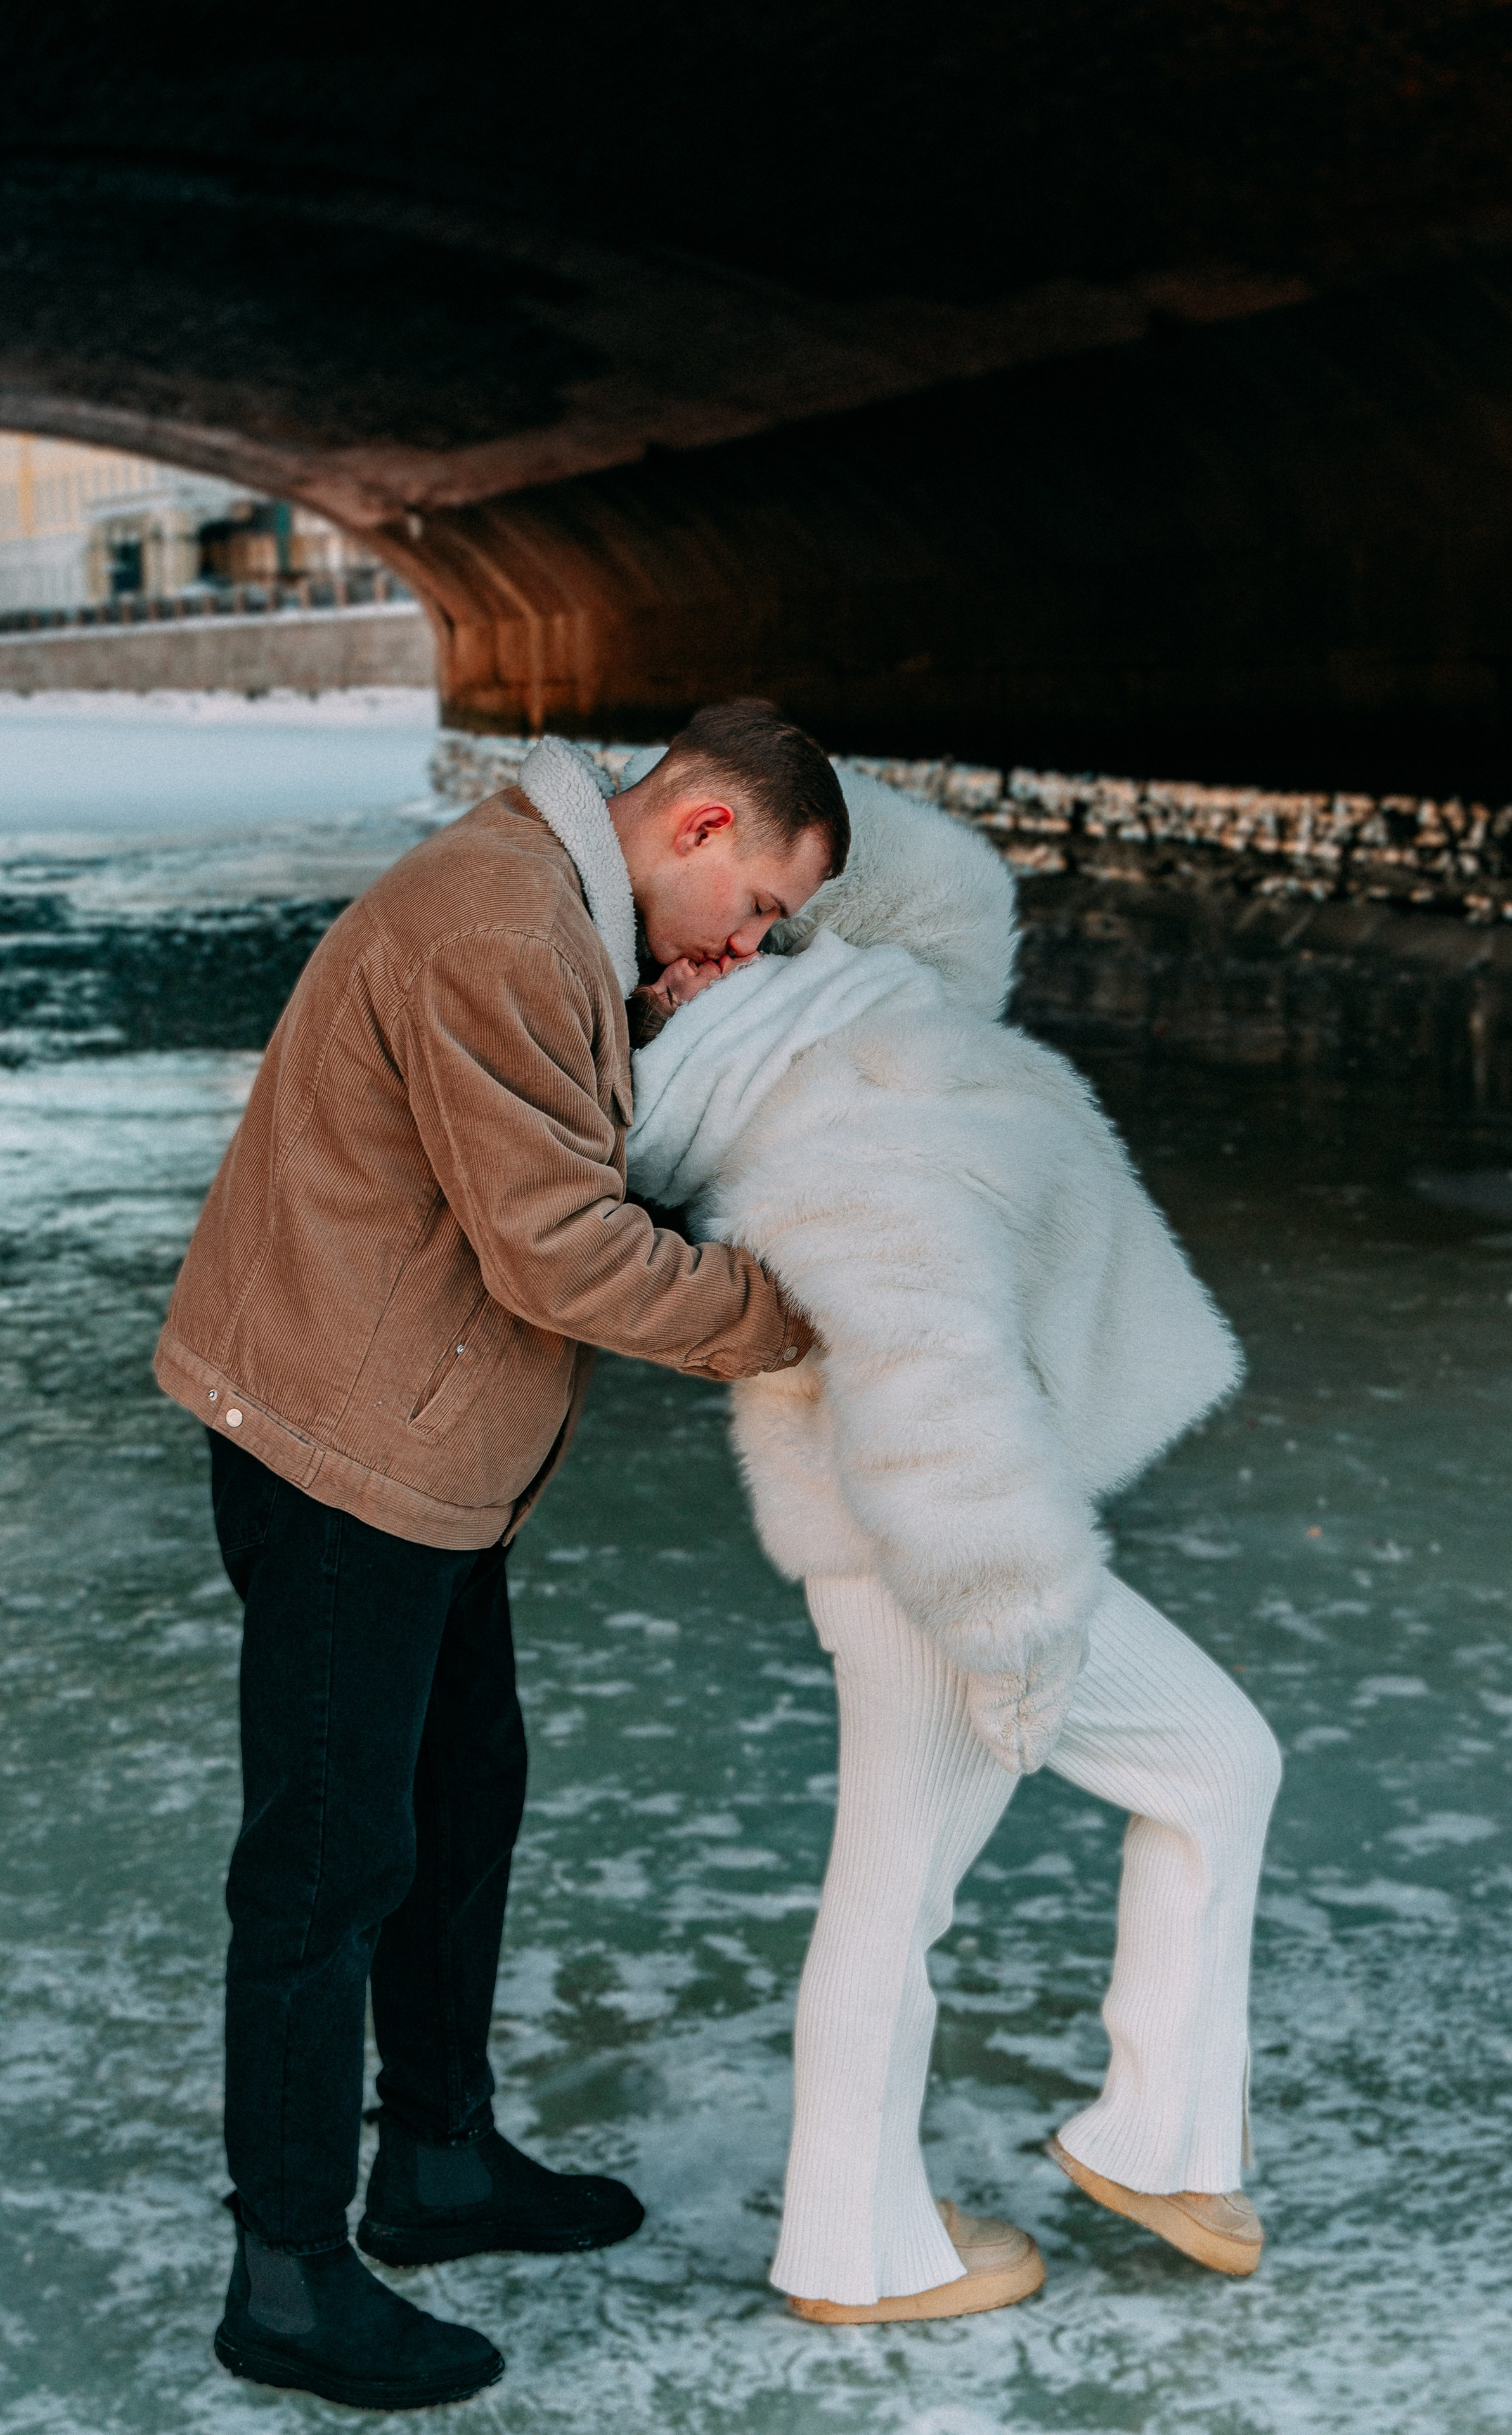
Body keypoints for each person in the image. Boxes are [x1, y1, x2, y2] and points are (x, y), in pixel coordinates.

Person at [153, 702, 846, 2410]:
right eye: (755, 907)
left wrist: (641, 1015)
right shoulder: (496, 921)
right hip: (337, 1445)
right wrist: (818, 1311)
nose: (751, 945)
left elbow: (519, 1113)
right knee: (326, 1860)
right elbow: (558, 1251)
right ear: (693, 829)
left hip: (423, 1443)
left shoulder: (555, 927)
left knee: (463, 1795)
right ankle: (290, 2272)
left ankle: (440, 2161)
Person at [625, 760, 1283, 2325]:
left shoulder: (840, 1014)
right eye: (709, 940)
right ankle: (880, 2243)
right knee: (933, 1872)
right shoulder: (840, 1104)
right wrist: (1010, 1613)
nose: (740, 939)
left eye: (767, 914)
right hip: (930, 1551)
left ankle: (1148, 2138)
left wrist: (708, 829)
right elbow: (927, 1386)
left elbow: (926, 897)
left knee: (1130, 1796)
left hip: (926, 1540)